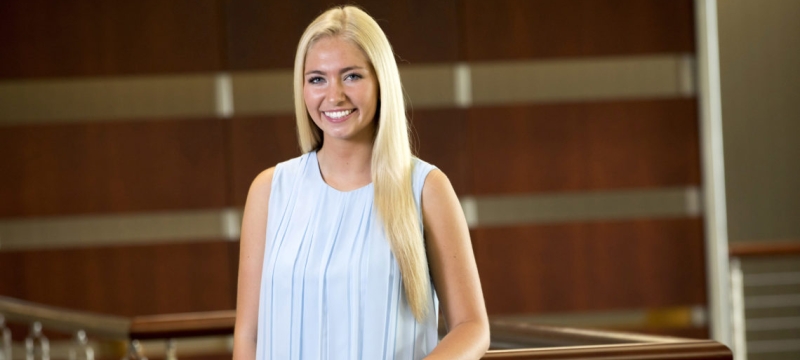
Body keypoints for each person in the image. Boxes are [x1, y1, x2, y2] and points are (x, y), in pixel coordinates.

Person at [233, 5, 489, 360]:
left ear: (381, 81)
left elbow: (472, 327)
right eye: (317, 79)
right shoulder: (269, 190)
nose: (333, 95)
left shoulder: (426, 188)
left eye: (351, 76)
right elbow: (249, 335)